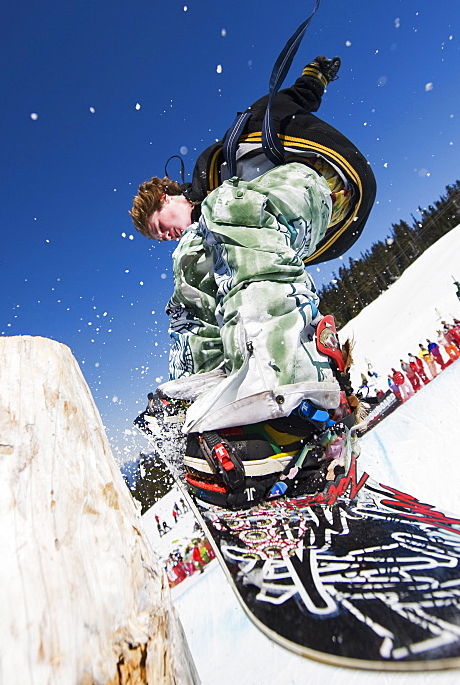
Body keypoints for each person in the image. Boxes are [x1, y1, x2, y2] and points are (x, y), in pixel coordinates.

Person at [131, 55, 376, 507]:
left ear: (166, 195)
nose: (164, 235)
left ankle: (293, 375)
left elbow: (292, 101)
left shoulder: (218, 167)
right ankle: (216, 386)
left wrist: (315, 74)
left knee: (224, 210)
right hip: (266, 226)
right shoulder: (204, 238)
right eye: (156, 236)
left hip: (324, 183)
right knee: (189, 265)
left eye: (160, 224)